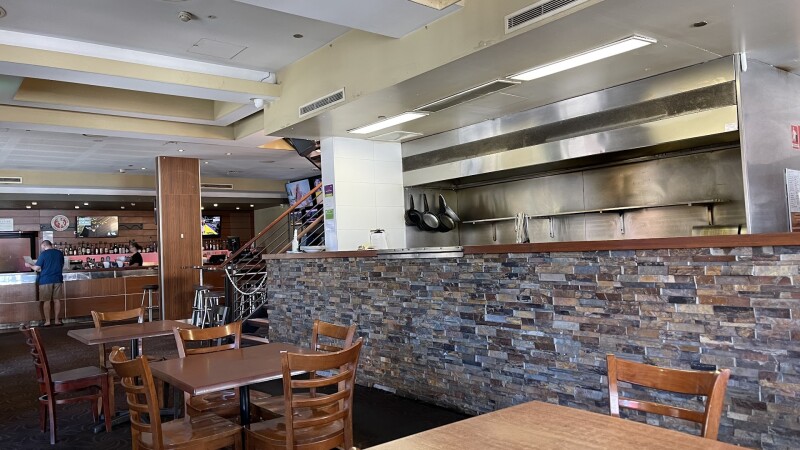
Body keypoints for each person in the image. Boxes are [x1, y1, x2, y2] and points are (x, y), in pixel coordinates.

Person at [24, 240, 65, 326]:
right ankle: (57, 320)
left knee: (47, 301)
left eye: (42, 247)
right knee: (57, 300)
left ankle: (48, 321)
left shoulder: (43, 254)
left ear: (44, 246)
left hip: (46, 280)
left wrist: (29, 265)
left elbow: (37, 268)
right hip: (57, 279)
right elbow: (62, 265)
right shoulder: (59, 253)